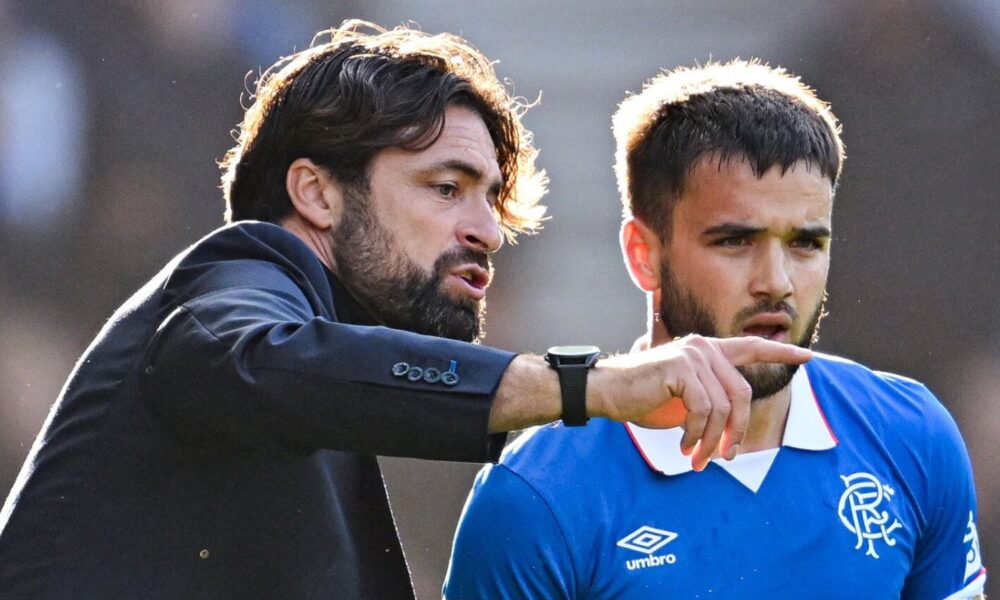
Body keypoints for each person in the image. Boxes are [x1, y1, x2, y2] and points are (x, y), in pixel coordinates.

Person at [0, 24, 811, 600]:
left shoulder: (333, 381)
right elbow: (254, 361)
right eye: (446, 188)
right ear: (316, 192)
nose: (488, 230)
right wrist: (586, 385)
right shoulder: (240, 282)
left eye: (493, 199)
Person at [444, 59, 986, 599]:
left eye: (805, 243)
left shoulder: (912, 435)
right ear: (643, 255)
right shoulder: (536, 497)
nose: (776, 283)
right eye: (735, 241)